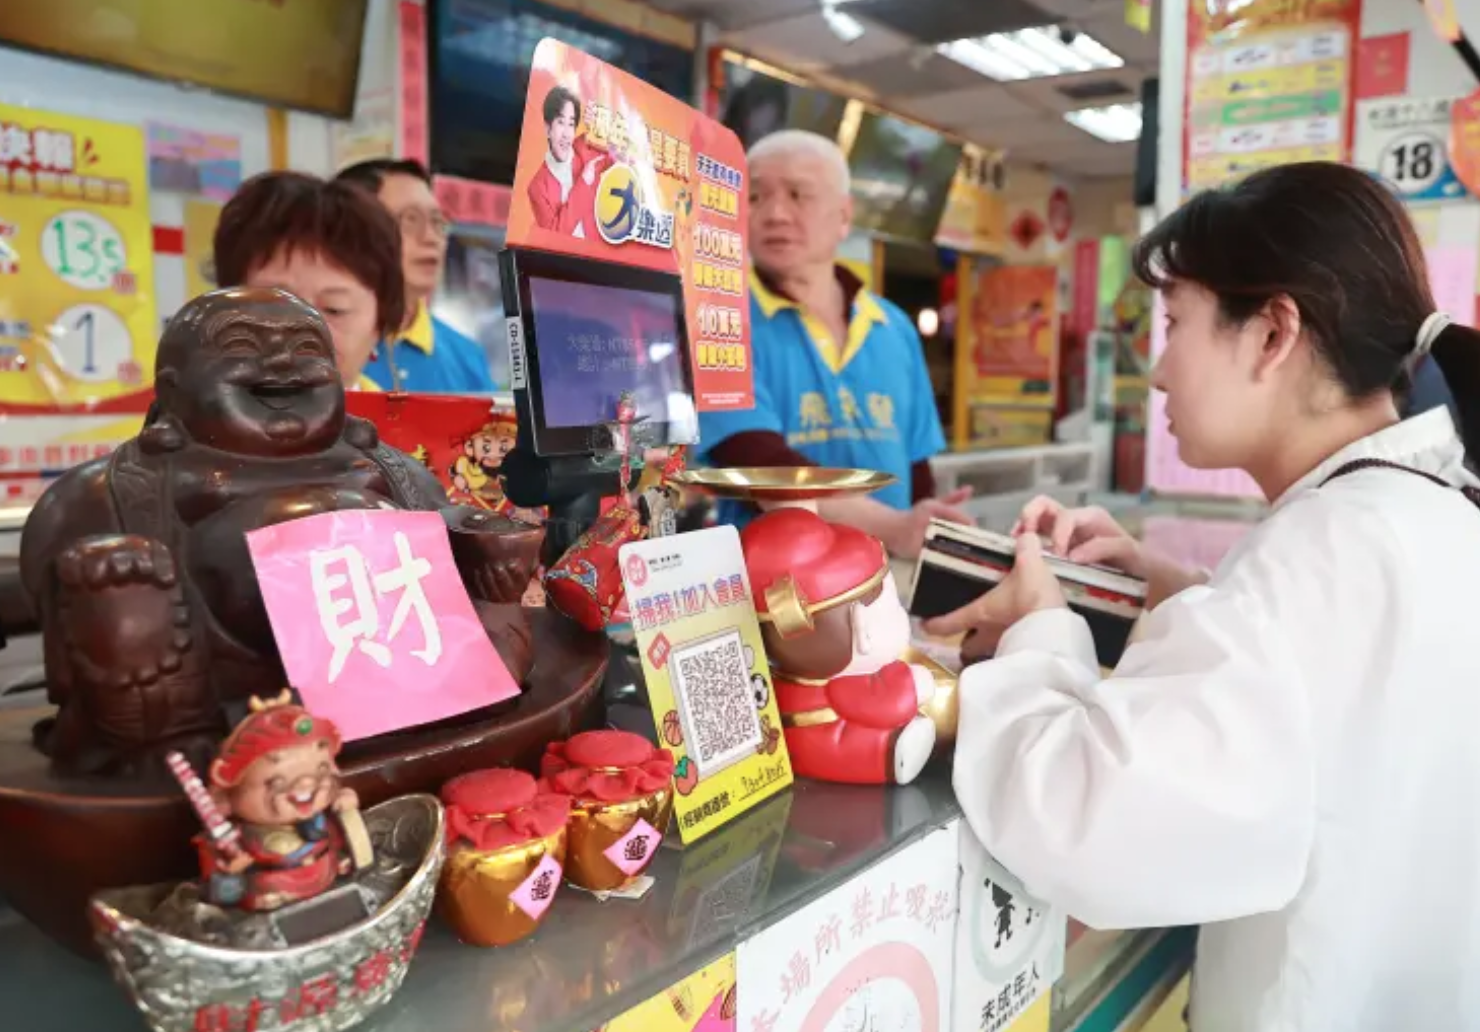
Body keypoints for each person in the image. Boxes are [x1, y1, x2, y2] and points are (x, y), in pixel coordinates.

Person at [934, 162, 1480, 1031]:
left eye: (1175, 322)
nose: (1156, 373)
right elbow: (1333, 693)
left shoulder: (1321, 551)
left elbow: (1087, 823)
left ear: (1272, 334)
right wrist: (1176, 586)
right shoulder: (1431, 510)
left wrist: (1039, 627)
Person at [696, 130, 970, 558]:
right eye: (755, 198)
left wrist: (924, 524)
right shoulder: (718, 318)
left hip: (886, 581)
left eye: (797, 194)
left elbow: (916, 465)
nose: (775, 214)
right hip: (774, 592)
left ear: (844, 215)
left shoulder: (893, 325)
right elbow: (764, 468)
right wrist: (895, 529)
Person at [212, 171, 404, 391]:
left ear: (380, 324)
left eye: (334, 309)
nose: (302, 331)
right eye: (273, 305)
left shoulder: (406, 425)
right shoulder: (177, 419)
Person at [335, 159, 496, 394]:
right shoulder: (323, 348)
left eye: (437, 222)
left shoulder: (467, 357)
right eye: (410, 219)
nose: (431, 238)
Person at [526, 85, 606, 237]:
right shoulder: (537, 187)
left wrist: (600, 125)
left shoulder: (585, 147)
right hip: (567, 259)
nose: (566, 134)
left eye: (571, 124)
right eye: (561, 123)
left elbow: (618, 157)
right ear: (548, 129)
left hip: (602, 252)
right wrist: (584, 183)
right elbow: (556, 236)